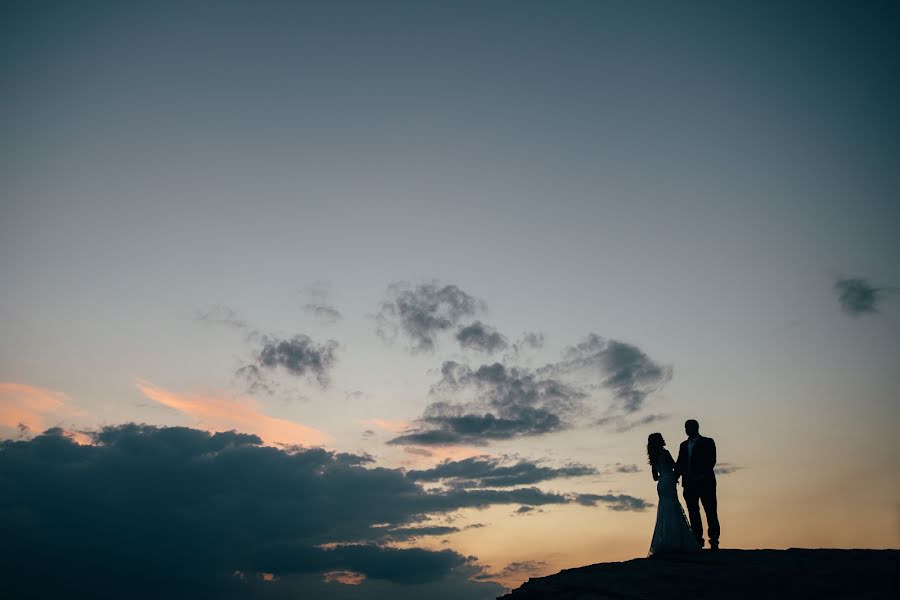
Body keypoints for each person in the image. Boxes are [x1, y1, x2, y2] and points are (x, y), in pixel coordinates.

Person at [647, 432, 700, 555]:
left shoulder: (653, 456)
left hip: (661, 484)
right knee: (673, 508)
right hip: (669, 481)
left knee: (664, 510)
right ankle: (677, 541)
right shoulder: (665, 453)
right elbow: (674, 466)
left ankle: (664, 540)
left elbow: (655, 477)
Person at [675, 419, 720, 550]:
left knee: (710, 511)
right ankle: (697, 540)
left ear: (695, 428)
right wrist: (674, 477)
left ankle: (714, 540)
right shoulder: (683, 445)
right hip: (689, 484)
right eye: (685, 428)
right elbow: (680, 463)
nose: (686, 430)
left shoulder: (708, 442)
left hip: (706, 483)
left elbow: (712, 460)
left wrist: (702, 475)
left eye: (687, 427)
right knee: (693, 512)